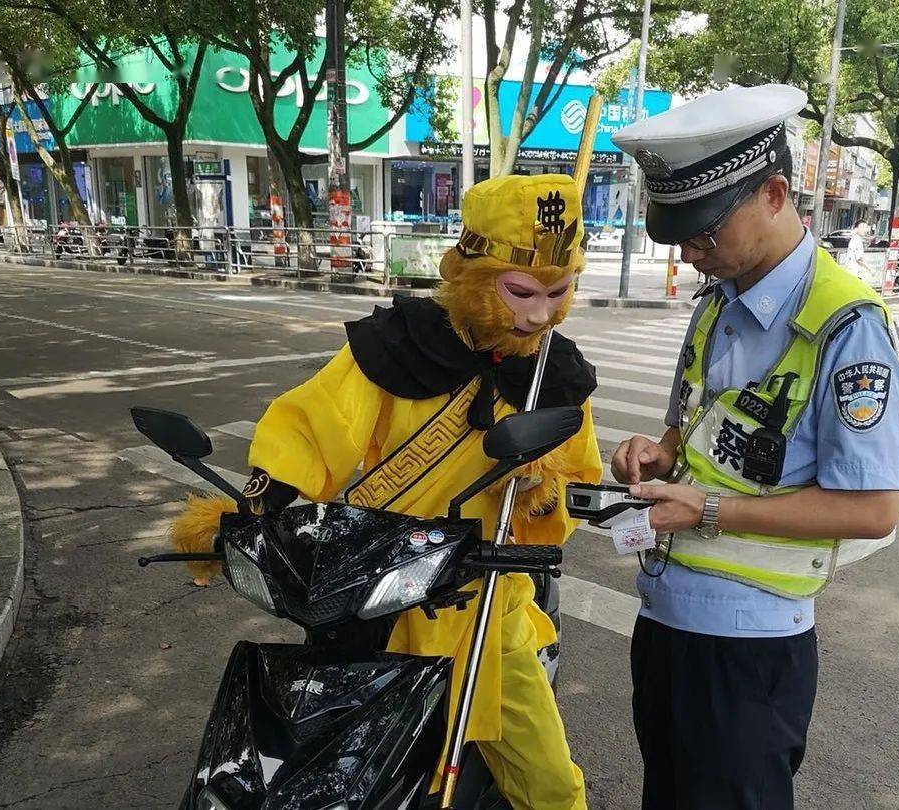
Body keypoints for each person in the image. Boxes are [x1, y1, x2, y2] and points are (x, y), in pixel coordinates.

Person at [170, 174, 603, 809]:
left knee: (549, 781)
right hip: (371, 593)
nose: (540, 314)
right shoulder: (397, 346)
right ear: (473, 274)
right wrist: (249, 515)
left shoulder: (555, 376)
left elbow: (574, 487)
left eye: (558, 292)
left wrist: (545, 490)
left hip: (484, 604)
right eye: (520, 292)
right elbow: (310, 430)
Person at [610, 84, 899, 809]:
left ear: (775, 194)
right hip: (664, 623)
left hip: (750, 651)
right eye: (678, 233)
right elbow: (703, 429)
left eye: (706, 233)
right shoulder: (719, 301)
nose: (689, 251)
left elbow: (872, 509)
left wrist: (706, 508)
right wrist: (659, 451)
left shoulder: (848, 327)